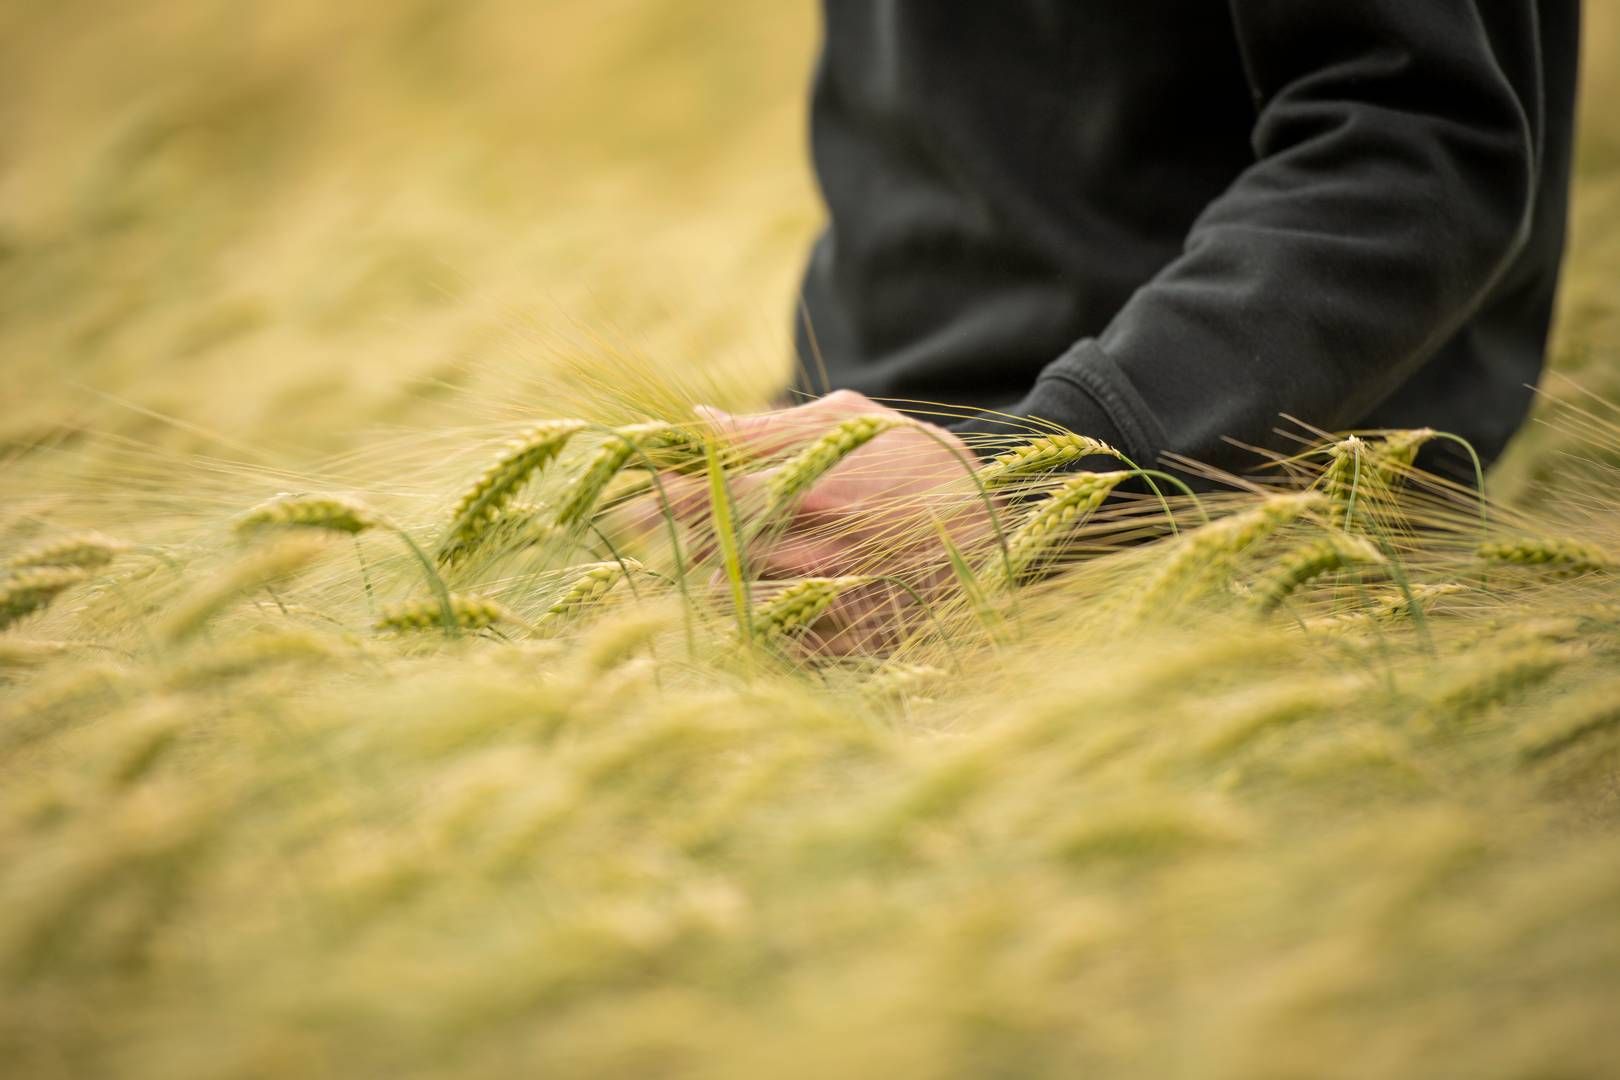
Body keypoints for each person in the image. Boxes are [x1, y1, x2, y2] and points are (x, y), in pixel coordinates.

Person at [690, 2, 1579, 609]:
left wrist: (1036, 479)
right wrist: (795, 467)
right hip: (863, 563)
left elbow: (1417, 149)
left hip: (1237, 585)